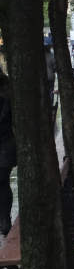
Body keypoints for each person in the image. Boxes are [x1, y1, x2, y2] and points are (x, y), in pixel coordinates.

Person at [0, 69, 13, 239]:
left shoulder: (5, 93)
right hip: (7, 145)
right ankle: (4, 219)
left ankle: (5, 219)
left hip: (5, 146)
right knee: (2, 183)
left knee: (2, 182)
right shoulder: (8, 88)